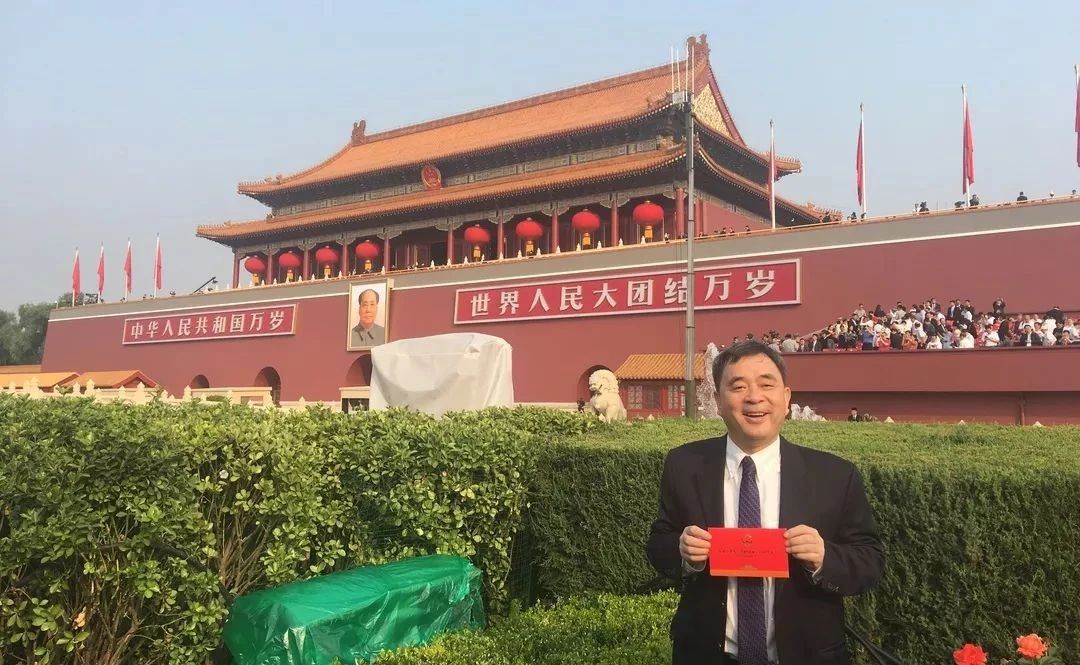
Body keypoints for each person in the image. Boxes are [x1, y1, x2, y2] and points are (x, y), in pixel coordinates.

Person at [646, 342, 884, 665]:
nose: (754, 397)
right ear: (717, 401)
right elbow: (658, 543)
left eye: (766, 384)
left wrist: (824, 557)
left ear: (786, 398)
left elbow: (870, 560)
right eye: (738, 386)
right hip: (707, 655)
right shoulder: (684, 465)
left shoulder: (834, 475)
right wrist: (683, 551)